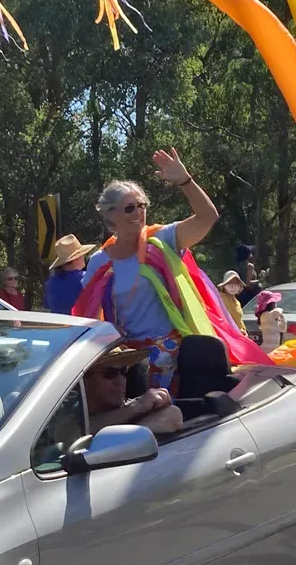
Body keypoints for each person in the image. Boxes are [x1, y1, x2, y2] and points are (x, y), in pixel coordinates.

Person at [79, 149, 219, 388]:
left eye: (142, 205)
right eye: (130, 208)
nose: (139, 212)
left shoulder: (162, 240)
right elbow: (91, 316)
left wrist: (186, 181)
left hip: (168, 353)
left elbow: (208, 217)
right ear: (110, 215)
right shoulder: (99, 262)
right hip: (126, 359)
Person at [83, 346, 181, 435]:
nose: (120, 381)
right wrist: (134, 408)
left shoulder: (139, 406)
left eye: (124, 371)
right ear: (85, 381)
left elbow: (173, 415)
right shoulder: (73, 413)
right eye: (109, 374)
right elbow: (77, 432)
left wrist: (130, 433)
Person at [45, 235, 95, 313]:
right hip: (80, 323)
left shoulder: (51, 282)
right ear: (77, 257)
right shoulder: (85, 278)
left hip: (57, 323)